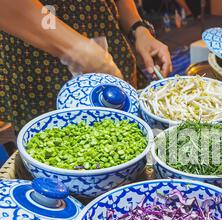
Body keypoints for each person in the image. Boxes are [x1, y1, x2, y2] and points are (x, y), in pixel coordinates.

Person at [0, 0, 172, 132]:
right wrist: (77, 50)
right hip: (43, 66)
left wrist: (137, 27)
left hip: (110, 48)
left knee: (128, 137)